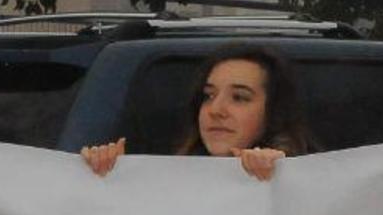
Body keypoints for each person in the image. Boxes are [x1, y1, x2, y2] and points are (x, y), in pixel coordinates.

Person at [80, 44, 315, 180]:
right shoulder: (168, 180)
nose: (216, 110)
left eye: (239, 98)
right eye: (208, 96)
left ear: (274, 113)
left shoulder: (311, 182)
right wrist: (108, 178)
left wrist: (284, 177)